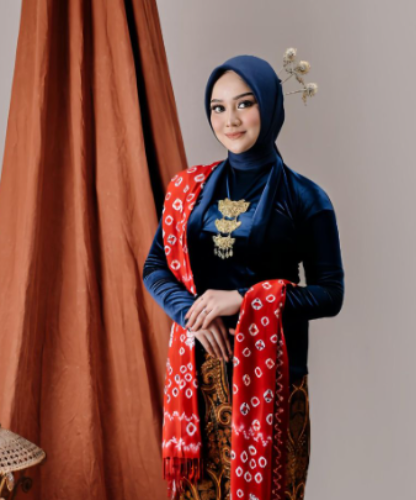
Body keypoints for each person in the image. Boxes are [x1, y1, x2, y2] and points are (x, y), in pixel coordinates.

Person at [143, 54, 344, 500]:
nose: (229, 120)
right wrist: (192, 314)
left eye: (244, 104)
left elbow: (331, 294)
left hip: (272, 383)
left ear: (269, 106)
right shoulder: (189, 190)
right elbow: (155, 266)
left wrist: (242, 298)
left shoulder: (306, 197)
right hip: (198, 380)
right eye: (218, 107)